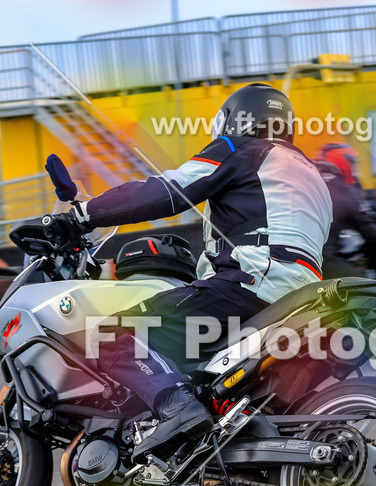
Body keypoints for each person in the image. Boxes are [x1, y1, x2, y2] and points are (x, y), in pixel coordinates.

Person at [51, 84, 332, 457]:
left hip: (249, 285)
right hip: (302, 293)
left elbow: (168, 191)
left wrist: (85, 215)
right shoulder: (312, 175)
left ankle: (176, 410)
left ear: (233, 121)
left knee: (107, 335)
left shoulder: (241, 149)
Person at [313, 143, 376, 286]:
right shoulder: (341, 190)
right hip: (322, 258)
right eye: (351, 162)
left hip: (296, 253)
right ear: (342, 161)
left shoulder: (316, 180)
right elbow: (369, 230)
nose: (354, 168)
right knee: (371, 289)